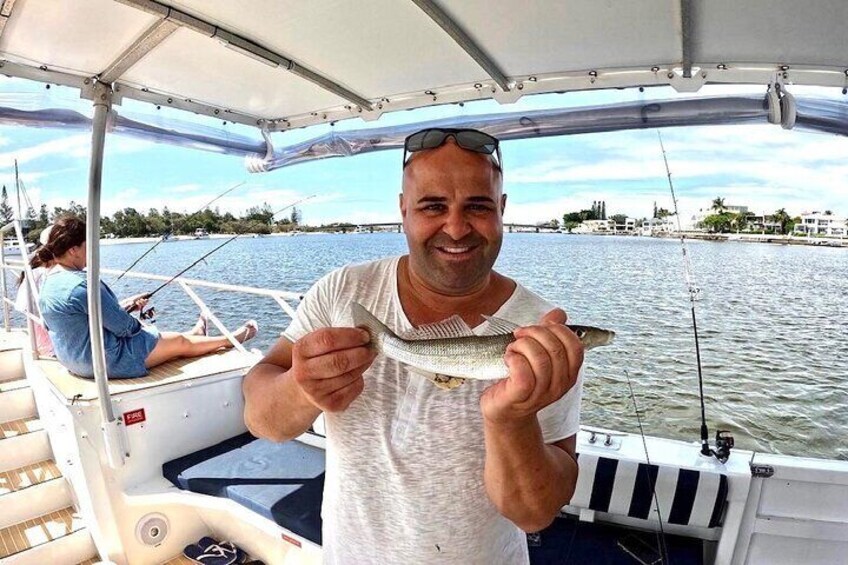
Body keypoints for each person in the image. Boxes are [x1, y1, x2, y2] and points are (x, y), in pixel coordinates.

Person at [243, 128, 583, 564]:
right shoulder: (342, 291)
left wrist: (511, 421)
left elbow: (535, 514)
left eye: (477, 206)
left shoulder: (545, 334)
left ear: (501, 209)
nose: (456, 228)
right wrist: (300, 387)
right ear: (403, 210)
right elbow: (262, 419)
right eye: (433, 206)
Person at [38, 215, 258, 378]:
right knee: (178, 343)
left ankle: (196, 333)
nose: (92, 251)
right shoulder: (82, 285)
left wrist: (127, 306)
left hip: (74, 360)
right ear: (74, 249)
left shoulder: (49, 282)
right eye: (89, 245)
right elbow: (125, 329)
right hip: (105, 361)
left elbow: (87, 319)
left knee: (170, 343)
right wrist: (138, 324)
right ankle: (232, 340)